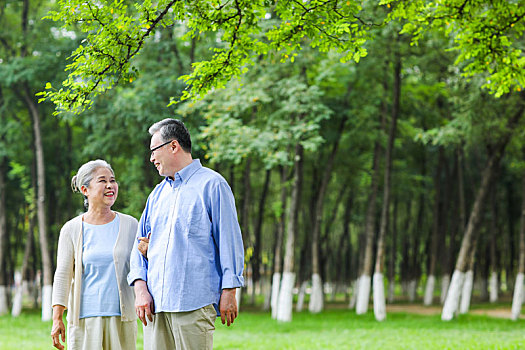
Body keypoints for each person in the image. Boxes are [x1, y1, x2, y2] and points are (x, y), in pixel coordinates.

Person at [128, 118, 245, 350]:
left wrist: (229, 291)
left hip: (193, 304)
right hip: (156, 307)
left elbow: (229, 241)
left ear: (173, 146)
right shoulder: (157, 195)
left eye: (154, 150)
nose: (151, 158)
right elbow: (137, 249)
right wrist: (141, 290)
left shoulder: (213, 185)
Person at [51, 160, 138, 350]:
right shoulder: (71, 229)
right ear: (85, 189)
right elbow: (63, 275)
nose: (110, 185)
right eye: (102, 180)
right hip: (84, 321)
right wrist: (57, 318)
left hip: (122, 319)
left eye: (113, 180)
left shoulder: (131, 225)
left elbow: (141, 269)